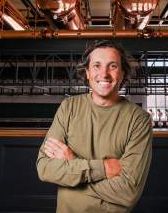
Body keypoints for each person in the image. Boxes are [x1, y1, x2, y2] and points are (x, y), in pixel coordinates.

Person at [36, 40, 153, 213]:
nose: (104, 74)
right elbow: (45, 168)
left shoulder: (139, 119)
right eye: (97, 66)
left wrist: (73, 167)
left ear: (122, 73)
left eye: (112, 66)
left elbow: (128, 191)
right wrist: (104, 168)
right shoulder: (69, 107)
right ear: (88, 73)